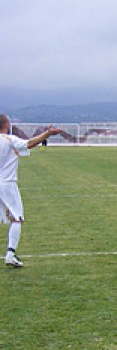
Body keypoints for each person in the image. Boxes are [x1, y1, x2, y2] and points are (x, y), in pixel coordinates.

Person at [0, 114, 62, 267]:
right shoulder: (10, 140)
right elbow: (29, 143)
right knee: (17, 218)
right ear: (6, 125)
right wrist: (47, 134)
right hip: (7, 184)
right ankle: (10, 254)